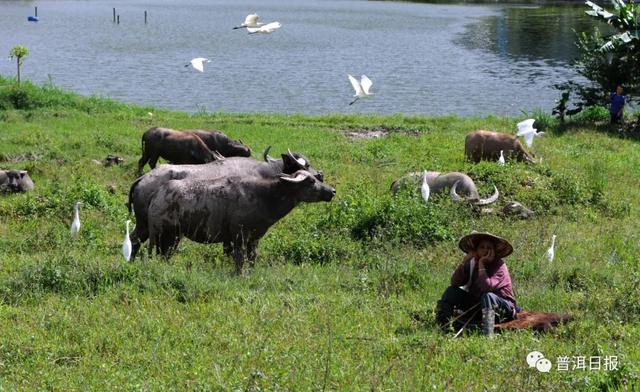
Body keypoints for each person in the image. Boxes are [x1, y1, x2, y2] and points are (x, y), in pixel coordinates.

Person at [436, 232, 518, 335]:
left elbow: (486, 287)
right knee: (451, 291)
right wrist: (464, 261)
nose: (485, 250)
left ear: (494, 251)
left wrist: (481, 264)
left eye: (489, 248)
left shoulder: (500, 266)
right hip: (478, 306)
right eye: (482, 247)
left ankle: (488, 334)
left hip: (501, 307)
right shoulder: (472, 262)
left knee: (488, 296)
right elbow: (455, 282)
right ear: (476, 250)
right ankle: (443, 326)